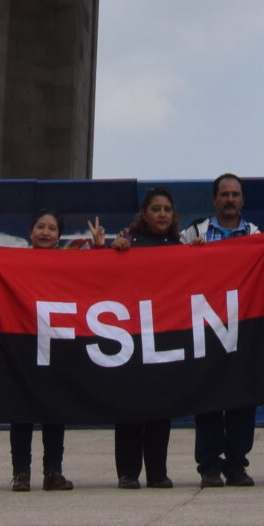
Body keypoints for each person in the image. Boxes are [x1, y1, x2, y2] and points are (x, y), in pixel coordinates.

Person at [0, 211, 74, 491]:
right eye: (41, 227)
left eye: (52, 228)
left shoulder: (71, 263)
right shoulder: (11, 262)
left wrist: (98, 250)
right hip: (18, 344)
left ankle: (53, 472)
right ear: (30, 232)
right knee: (20, 410)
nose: (46, 232)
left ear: (59, 235)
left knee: (55, 411)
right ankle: (21, 473)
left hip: (56, 345)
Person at [183, 173, 263, 488]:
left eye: (235, 195)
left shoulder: (256, 235)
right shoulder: (193, 233)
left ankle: (236, 464)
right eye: (225, 194)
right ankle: (209, 466)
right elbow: (168, 270)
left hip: (244, 328)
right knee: (209, 398)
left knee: (243, 399)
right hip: (205, 328)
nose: (230, 200)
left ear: (242, 200)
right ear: (215, 199)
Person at [109, 190, 180, 486]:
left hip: (164, 336)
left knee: (160, 408)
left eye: (167, 209)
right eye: (156, 209)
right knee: (129, 406)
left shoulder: (180, 247)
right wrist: (111, 251)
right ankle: (127, 472)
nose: (162, 214)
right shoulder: (128, 245)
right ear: (145, 213)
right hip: (131, 337)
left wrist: (200, 253)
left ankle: (157, 472)